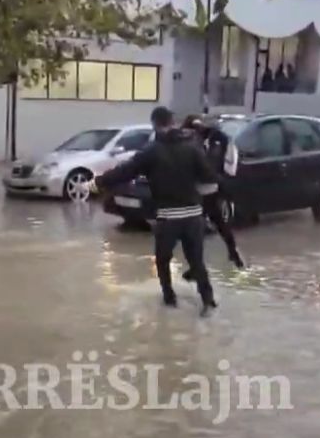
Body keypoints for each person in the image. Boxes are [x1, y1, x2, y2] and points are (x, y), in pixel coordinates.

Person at [92, 107, 218, 315]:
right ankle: (208, 300)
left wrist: (99, 181)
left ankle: (169, 301)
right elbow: (209, 177)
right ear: (172, 122)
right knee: (196, 261)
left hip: (169, 217)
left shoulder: (151, 151)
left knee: (162, 260)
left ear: (155, 124)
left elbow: (125, 171)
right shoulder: (192, 147)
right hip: (194, 215)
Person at [181, 116, 245, 273]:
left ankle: (229, 254)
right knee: (211, 225)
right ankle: (231, 253)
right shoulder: (205, 140)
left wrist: (224, 178)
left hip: (204, 190)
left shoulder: (213, 140)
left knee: (199, 228)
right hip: (204, 190)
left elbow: (230, 159)